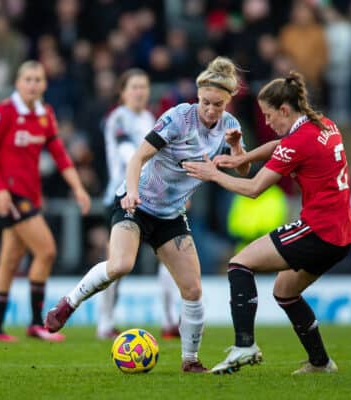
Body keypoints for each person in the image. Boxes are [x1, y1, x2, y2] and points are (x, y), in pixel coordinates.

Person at [45, 57, 250, 372]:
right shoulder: (178, 118)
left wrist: (237, 149)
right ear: (197, 96)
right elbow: (138, 156)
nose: (210, 110)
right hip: (136, 204)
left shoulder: (230, 127)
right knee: (120, 265)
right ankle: (69, 303)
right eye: (206, 102)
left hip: (171, 215)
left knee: (193, 288)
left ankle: (190, 360)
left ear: (228, 102)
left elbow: (244, 169)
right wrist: (130, 192)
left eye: (218, 105)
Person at [183, 71, 351, 375]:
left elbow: (252, 189)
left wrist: (213, 174)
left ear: (285, 110)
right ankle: (320, 363)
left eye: (269, 115)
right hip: (341, 233)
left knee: (239, 264)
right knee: (285, 291)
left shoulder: (299, 141)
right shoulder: (324, 125)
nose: (267, 122)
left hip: (318, 230)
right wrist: (242, 158)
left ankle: (244, 346)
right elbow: (282, 145)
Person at [0, 60, 91, 342]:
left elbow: (59, 154)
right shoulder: (3, 112)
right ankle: (35, 323)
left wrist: (78, 187)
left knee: (9, 259)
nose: (32, 84)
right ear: (18, 83)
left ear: (44, 84)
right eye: (27, 79)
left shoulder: (45, 115)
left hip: (31, 195)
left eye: (37, 80)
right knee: (47, 250)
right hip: (11, 194)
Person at [97, 69, 180, 340]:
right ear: (122, 91)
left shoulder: (149, 119)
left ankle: (170, 322)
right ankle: (105, 323)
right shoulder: (118, 118)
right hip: (122, 195)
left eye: (144, 86)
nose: (140, 91)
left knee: (168, 260)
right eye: (134, 86)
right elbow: (127, 155)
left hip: (154, 198)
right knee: (117, 265)